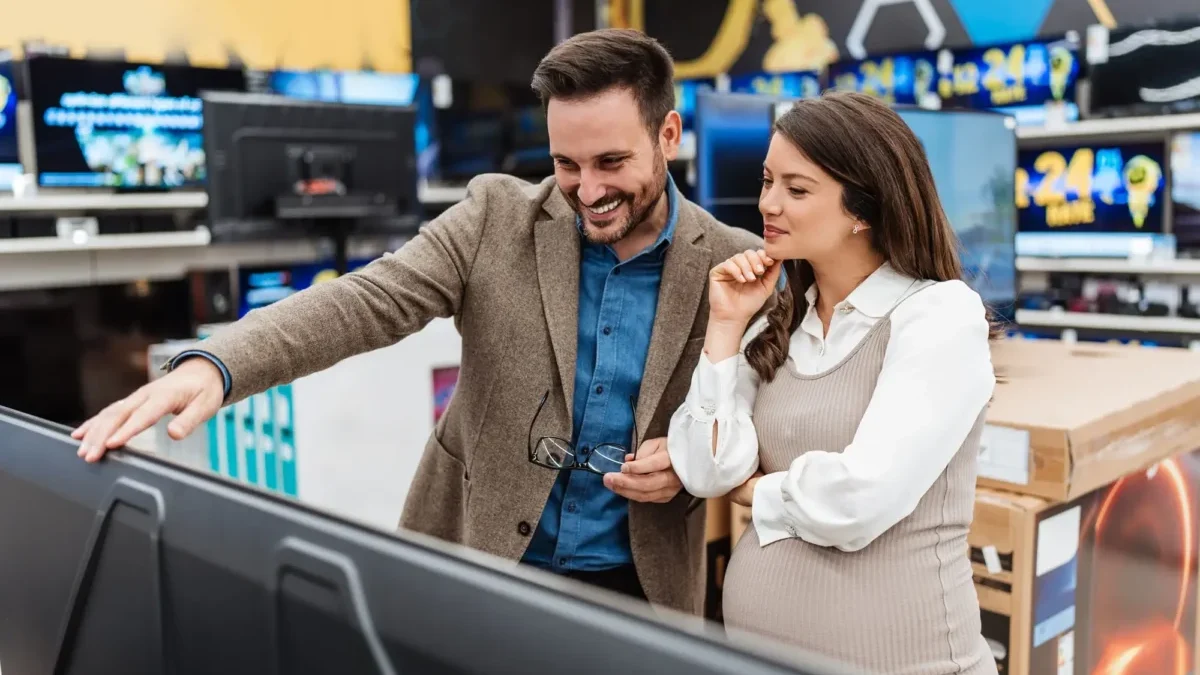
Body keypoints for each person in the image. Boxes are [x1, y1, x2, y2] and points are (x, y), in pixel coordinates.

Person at [70, 29, 762, 615]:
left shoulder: (733, 263)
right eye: (565, 164)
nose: (587, 189)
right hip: (478, 562)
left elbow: (774, 421)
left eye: (611, 161)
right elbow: (366, 300)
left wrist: (691, 462)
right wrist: (217, 364)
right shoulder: (496, 216)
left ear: (668, 134)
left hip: (638, 589)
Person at [666, 91, 998, 674]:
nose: (768, 203)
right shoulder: (780, 320)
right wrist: (724, 325)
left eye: (797, 190)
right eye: (767, 181)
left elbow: (860, 498)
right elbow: (705, 467)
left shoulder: (940, 313)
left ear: (864, 209)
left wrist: (755, 491)